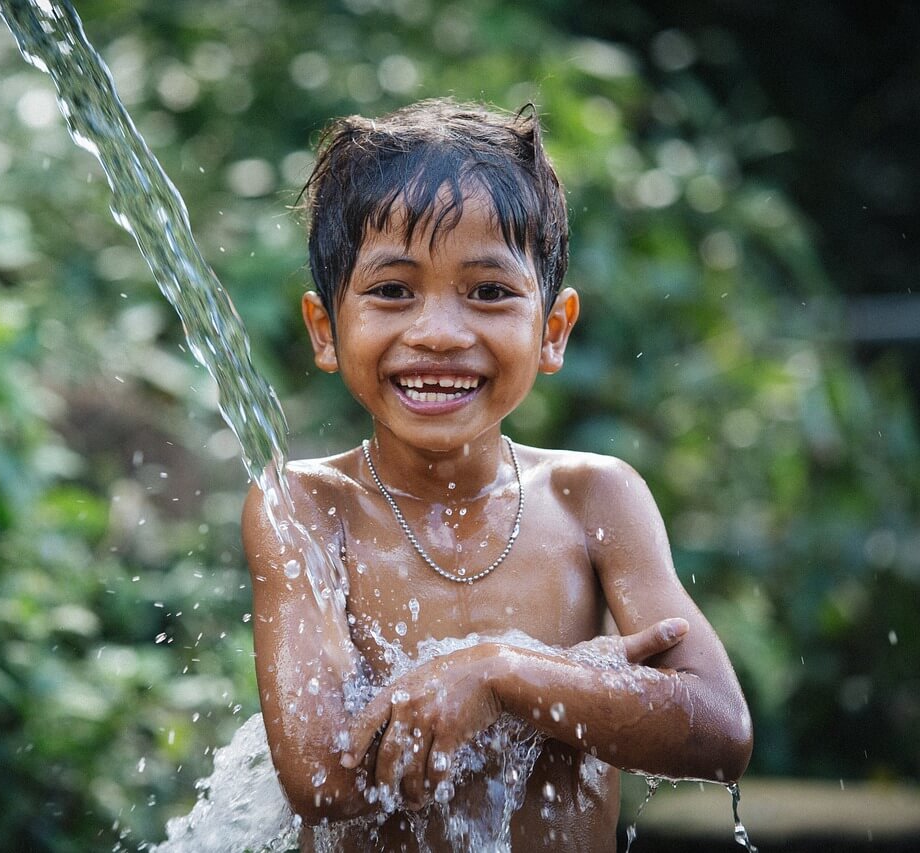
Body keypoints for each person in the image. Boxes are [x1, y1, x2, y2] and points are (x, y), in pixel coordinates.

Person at [241, 98, 752, 851]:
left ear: (552, 330)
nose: (439, 332)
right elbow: (323, 776)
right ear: (326, 329)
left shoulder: (593, 498)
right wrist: (575, 679)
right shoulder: (309, 507)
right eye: (391, 291)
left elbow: (718, 730)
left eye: (488, 291)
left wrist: (504, 675)